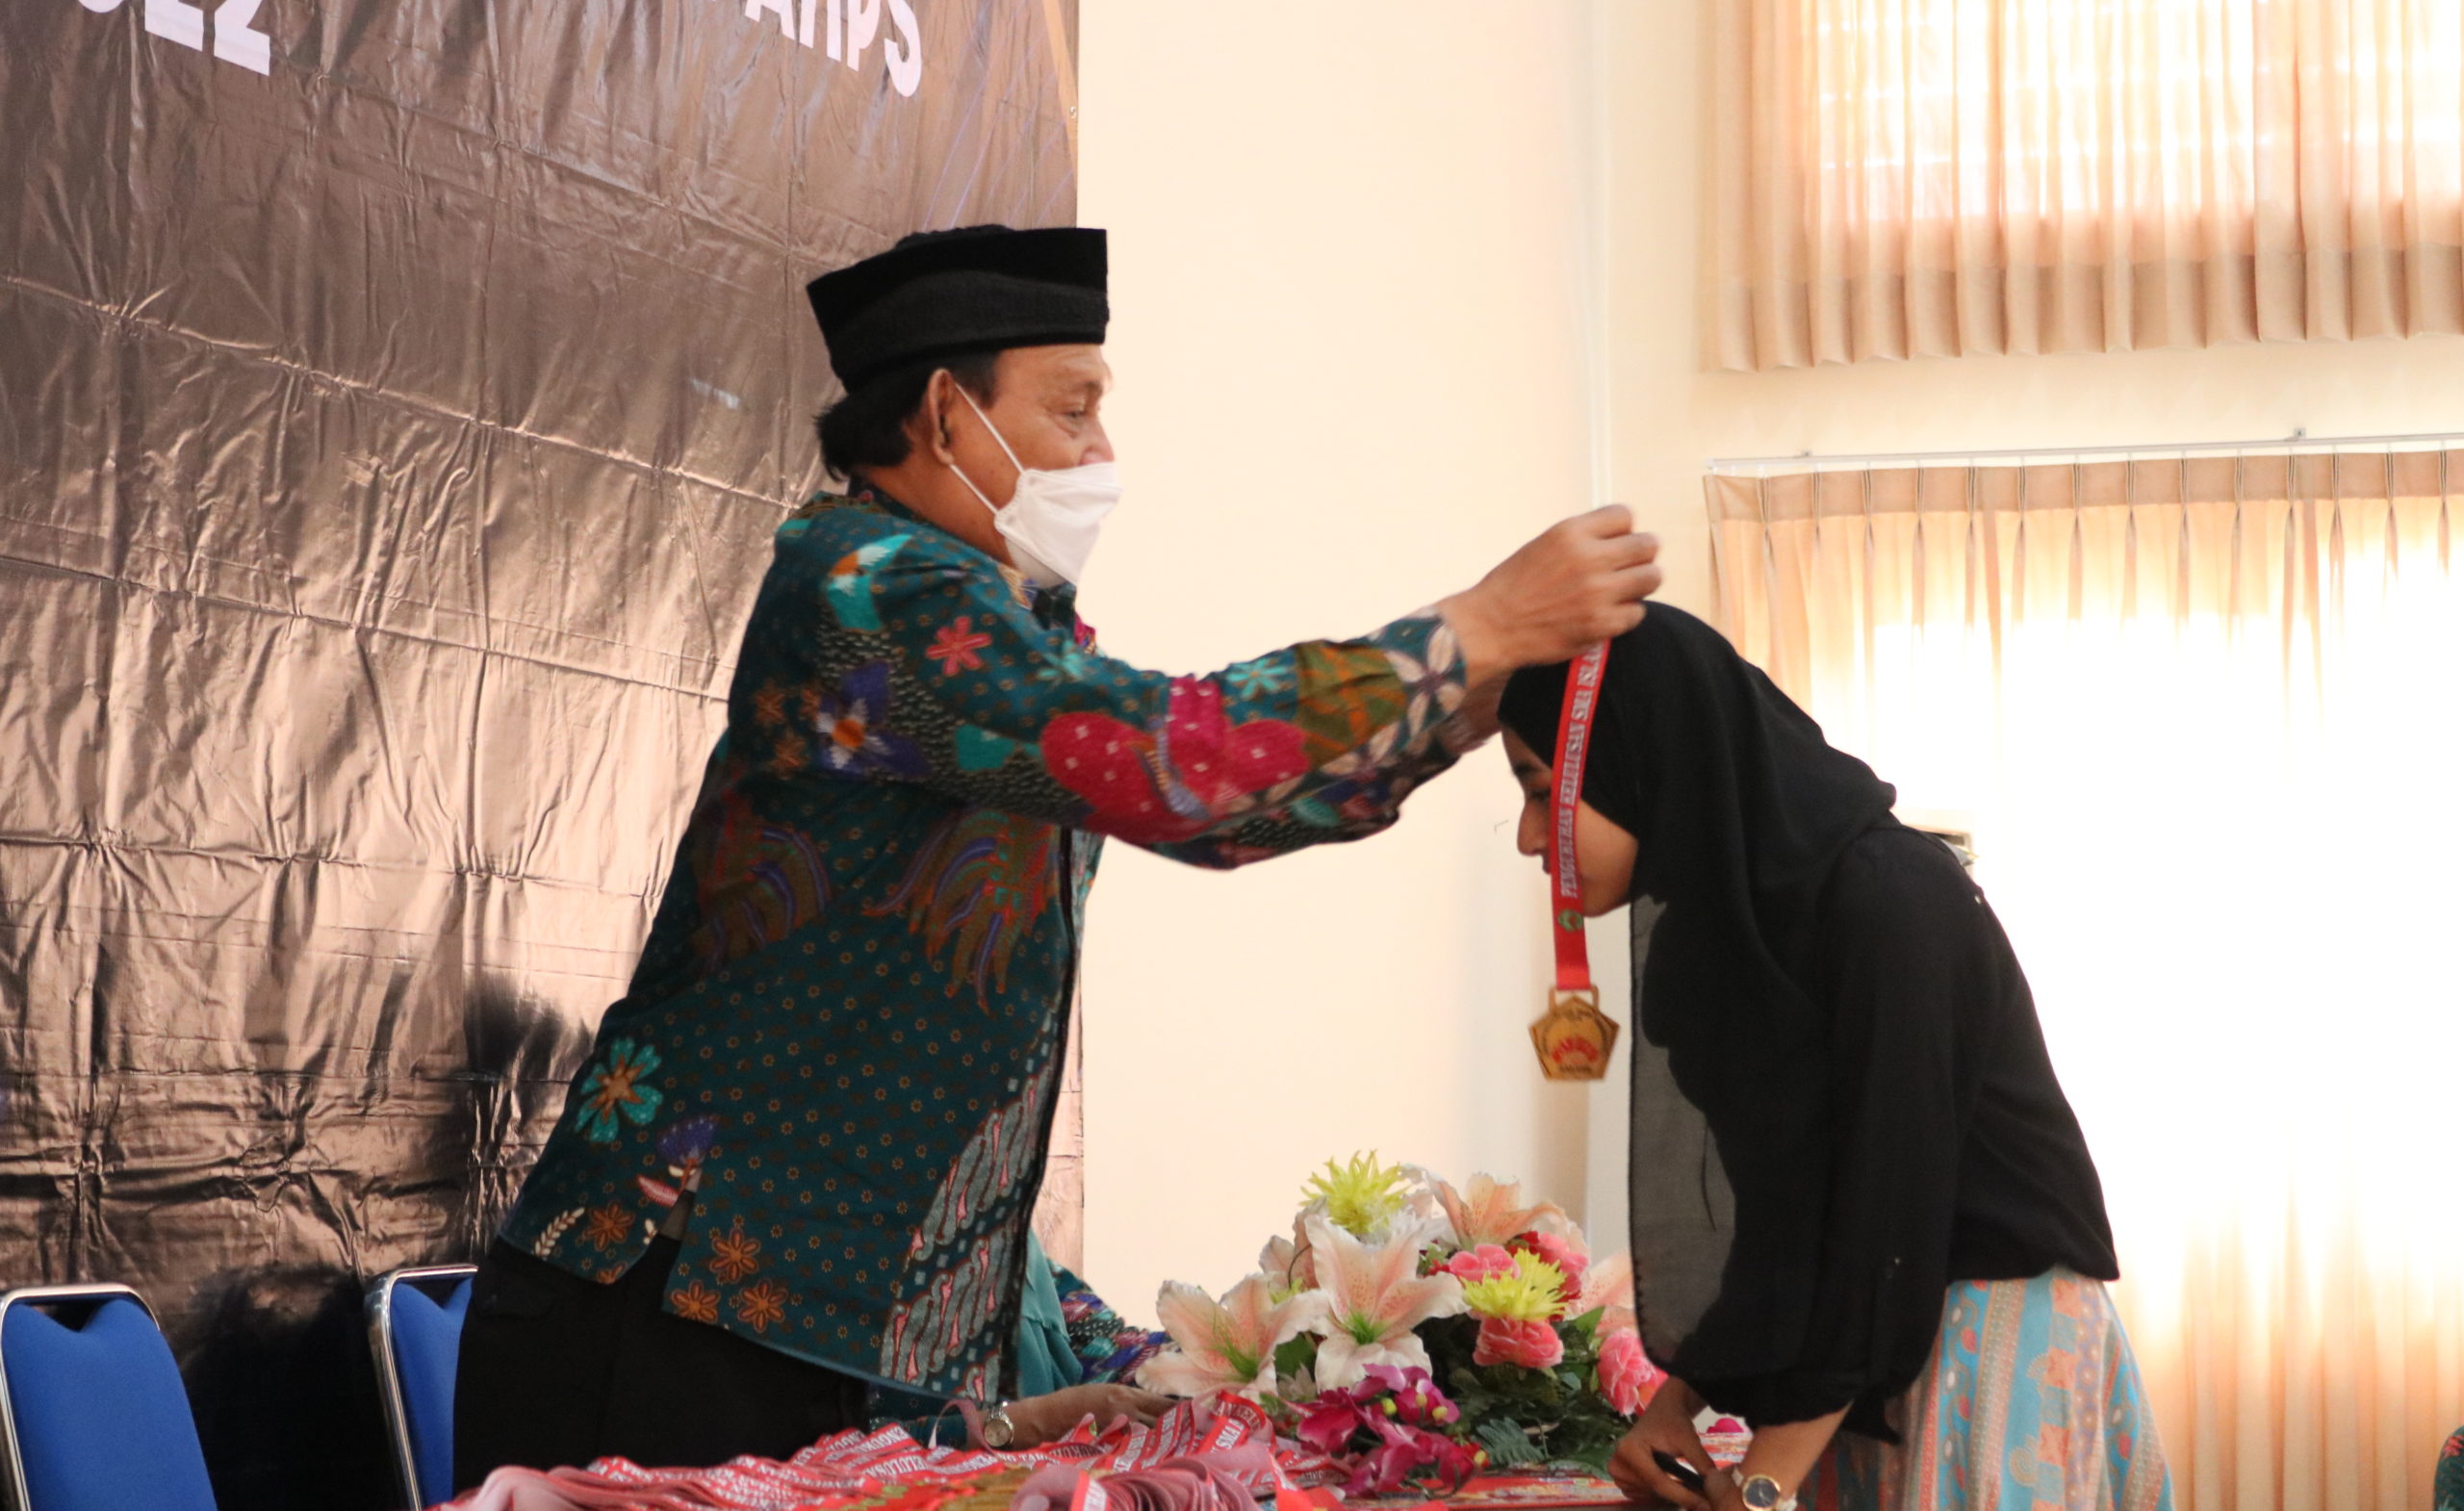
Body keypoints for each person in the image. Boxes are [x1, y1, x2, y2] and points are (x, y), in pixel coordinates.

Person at [452, 223, 1664, 1487]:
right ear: (946, 414)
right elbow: (1165, 758)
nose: (1103, 455)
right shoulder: (869, 585)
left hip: (808, 1325)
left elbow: (1221, 811)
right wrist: (1471, 629)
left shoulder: (1003, 626)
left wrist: (1464, 704)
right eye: (1073, 409)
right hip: (673, 1299)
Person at [1495, 604, 2172, 1511]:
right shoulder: (1721, 949)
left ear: (1632, 760)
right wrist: (1675, 1406)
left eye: (1543, 791)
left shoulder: (1894, 895)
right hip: (1854, 1372)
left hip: (1982, 1352)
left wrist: (1765, 1482)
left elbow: (1886, 1220)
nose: (1528, 836)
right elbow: (1783, 1223)